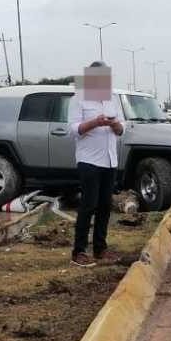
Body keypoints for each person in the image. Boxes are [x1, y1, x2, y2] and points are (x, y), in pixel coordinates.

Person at [69, 61, 124, 267]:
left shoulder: (113, 99)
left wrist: (115, 124)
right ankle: (79, 251)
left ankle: (100, 249)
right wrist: (95, 122)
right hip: (89, 160)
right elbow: (73, 130)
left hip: (110, 160)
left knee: (105, 206)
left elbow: (121, 128)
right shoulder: (78, 98)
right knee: (88, 205)